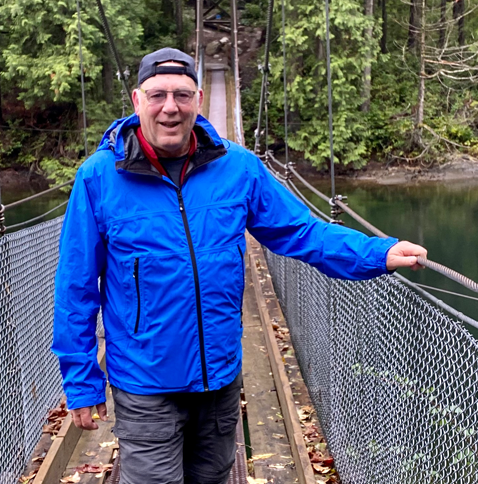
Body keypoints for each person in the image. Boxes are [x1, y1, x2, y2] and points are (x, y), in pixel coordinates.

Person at [52, 48, 427, 484]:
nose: (170, 107)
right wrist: (81, 380)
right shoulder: (98, 178)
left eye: (182, 95)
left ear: (197, 100)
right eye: (157, 95)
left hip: (219, 377)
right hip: (144, 380)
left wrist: (377, 253)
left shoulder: (239, 168)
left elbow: (302, 232)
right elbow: (76, 286)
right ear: (137, 101)